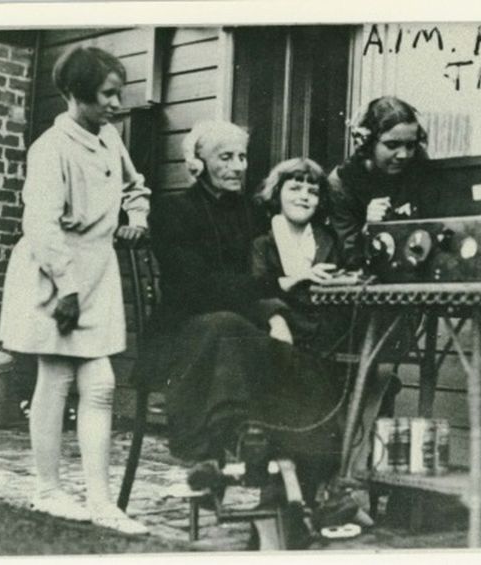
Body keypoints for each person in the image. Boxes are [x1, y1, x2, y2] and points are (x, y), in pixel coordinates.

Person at [145, 123, 348, 514]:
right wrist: (273, 296)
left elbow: (258, 276)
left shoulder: (253, 214)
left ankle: (284, 478)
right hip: (183, 331)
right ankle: (225, 446)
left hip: (243, 328)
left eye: (242, 157)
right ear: (197, 163)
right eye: (226, 157)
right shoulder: (173, 210)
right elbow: (195, 287)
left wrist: (273, 313)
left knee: (300, 360)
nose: (238, 166)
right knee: (225, 326)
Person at [0, 46, 149, 536]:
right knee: (57, 377)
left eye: (118, 93)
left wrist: (137, 217)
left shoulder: (109, 138)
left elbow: (134, 186)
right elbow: (41, 224)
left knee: (100, 384)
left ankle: (101, 501)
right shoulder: (50, 148)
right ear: (77, 94)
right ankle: (48, 490)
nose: (116, 104)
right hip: (55, 272)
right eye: (107, 94)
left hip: (96, 271)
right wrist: (65, 288)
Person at [251, 157, 347, 354]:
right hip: (280, 334)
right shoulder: (262, 243)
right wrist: (300, 277)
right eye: (295, 188)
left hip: (327, 340)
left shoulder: (329, 240)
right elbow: (257, 290)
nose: (304, 197)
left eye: (313, 192)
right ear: (277, 192)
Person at [328, 96, 434, 270]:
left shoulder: (419, 168)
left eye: (410, 145)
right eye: (392, 145)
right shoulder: (341, 184)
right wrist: (368, 229)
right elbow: (346, 256)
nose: (403, 155)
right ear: (367, 143)